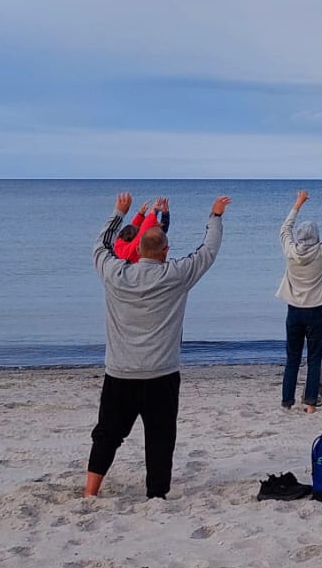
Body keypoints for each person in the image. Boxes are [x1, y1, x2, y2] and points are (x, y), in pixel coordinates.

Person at [86, 190, 230, 499]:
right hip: (160, 375)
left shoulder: (115, 274)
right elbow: (208, 251)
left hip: (120, 373)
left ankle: (90, 492)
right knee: (160, 437)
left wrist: (119, 213)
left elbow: (99, 246)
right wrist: (215, 217)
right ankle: (156, 495)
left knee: (107, 434)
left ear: (136, 248)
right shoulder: (175, 275)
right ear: (165, 251)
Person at [278, 188, 322, 412]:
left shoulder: (290, 251)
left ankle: (287, 402)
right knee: (314, 357)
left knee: (292, 358)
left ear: (299, 238)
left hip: (294, 310)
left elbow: (285, 228)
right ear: (317, 237)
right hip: (316, 310)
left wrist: (297, 204)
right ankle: (310, 403)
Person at [112, 197, 171, 262]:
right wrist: (152, 213)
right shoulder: (128, 253)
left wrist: (141, 215)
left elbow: (137, 231)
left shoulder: (120, 246)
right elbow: (142, 234)